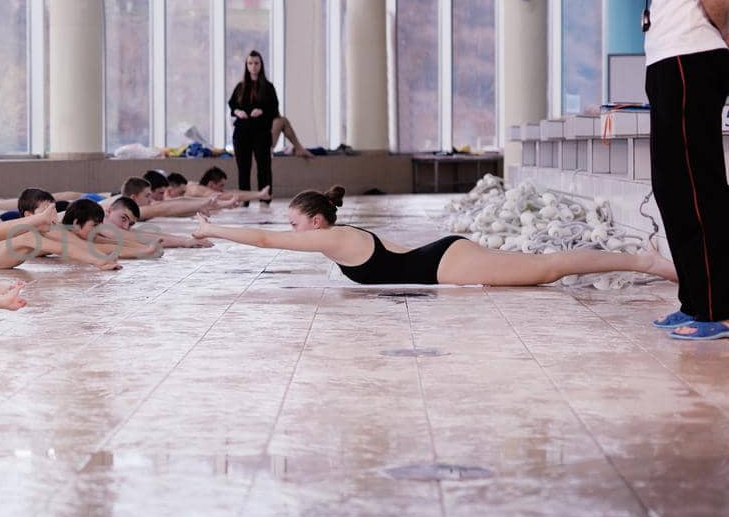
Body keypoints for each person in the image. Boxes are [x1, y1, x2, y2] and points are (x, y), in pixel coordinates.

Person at [619, 0, 729, 340]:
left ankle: (716, 308)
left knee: (697, 183)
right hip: (671, 61)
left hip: (692, 58)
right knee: (673, 185)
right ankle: (697, 299)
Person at [193, 186, 677, 287]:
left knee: (548, 268)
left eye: (294, 224)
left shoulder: (332, 239)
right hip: (445, 257)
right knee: (544, 266)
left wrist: (213, 227)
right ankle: (642, 262)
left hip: (447, 264)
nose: (289, 233)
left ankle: (647, 263)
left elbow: (264, 242)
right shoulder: (337, 238)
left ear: (316, 222)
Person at [228, 50, 279, 196]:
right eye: (250, 63)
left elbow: (274, 109)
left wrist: (262, 111)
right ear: (246, 65)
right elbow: (232, 105)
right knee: (243, 167)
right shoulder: (240, 86)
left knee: (264, 166)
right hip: (242, 132)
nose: (253, 66)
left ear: (261, 65)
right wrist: (237, 111)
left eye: (256, 63)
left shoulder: (268, 87)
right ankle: (244, 199)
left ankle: (265, 197)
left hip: (261, 132)